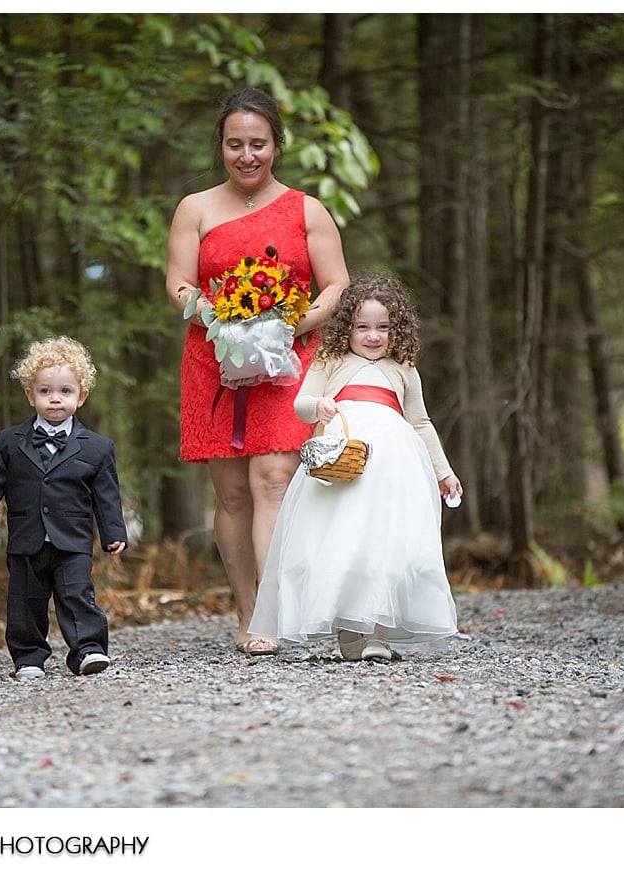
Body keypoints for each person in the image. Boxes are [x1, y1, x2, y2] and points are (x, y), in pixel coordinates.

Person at [166, 87, 350, 656]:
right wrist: (220, 318)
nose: (247, 156)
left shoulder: (306, 209)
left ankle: (276, 610)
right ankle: (246, 610)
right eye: (235, 144)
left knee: (273, 481)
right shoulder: (195, 208)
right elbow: (177, 283)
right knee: (233, 496)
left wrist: (292, 325)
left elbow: (336, 284)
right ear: (221, 146)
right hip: (213, 360)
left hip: (288, 359)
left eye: (258, 144)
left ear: (277, 145)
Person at [249, 275, 469, 662]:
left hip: (393, 467)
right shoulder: (330, 360)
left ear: (396, 329)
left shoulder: (403, 368)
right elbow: (302, 402)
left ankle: (378, 635)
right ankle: (350, 632)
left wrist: (443, 471)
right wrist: (319, 407)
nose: (372, 336)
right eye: (362, 327)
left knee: (384, 545)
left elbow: (421, 423)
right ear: (346, 327)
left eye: (383, 328)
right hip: (342, 464)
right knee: (342, 542)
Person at [0, 336, 128, 679]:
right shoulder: (8, 442)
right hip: (26, 538)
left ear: (81, 396)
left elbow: (106, 495)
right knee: (24, 601)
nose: (55, 399)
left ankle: (89, 650)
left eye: (65, 391)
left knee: (77, 594)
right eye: (45, 391)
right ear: (29, 395)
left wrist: (113, 532)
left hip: (73, 540)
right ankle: (29, 657)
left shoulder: (96, 448)